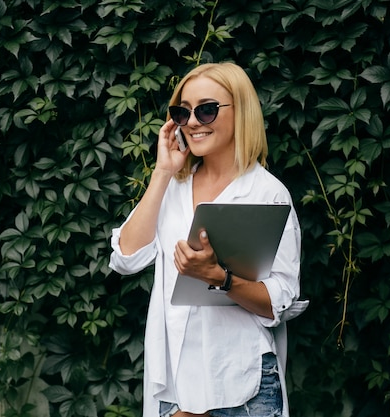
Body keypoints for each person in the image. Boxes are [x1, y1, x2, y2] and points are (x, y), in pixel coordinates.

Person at [109, 62, 307, 417]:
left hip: (240, 383)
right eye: (183, 112)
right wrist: (163, 172)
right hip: (173, 382)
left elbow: (279, 301)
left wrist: (220, 278)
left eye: (207, 108)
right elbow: (126, 257)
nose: (194, 121)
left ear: (241, 111)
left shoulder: (266, 194)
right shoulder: (174, 187)